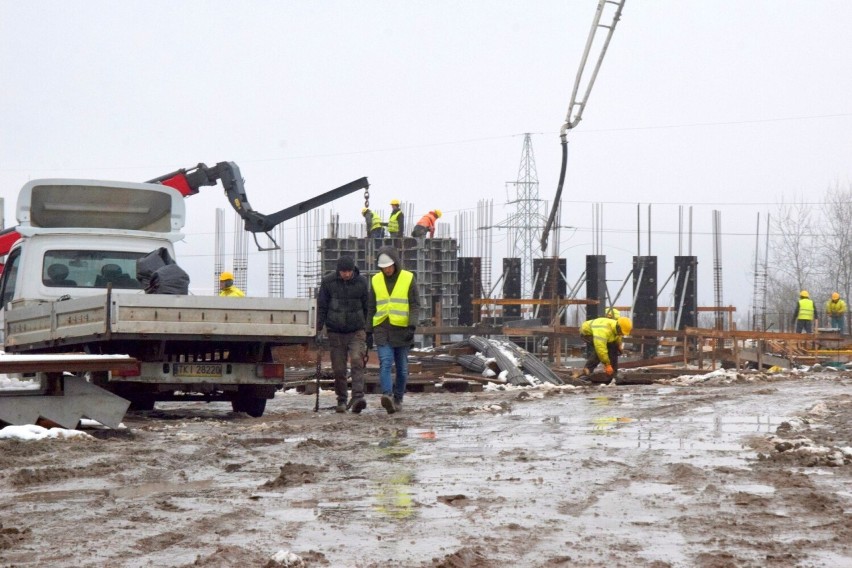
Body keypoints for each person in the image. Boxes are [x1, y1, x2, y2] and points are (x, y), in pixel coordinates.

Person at [366, 245, 421, 414]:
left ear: (395, 264)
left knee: (402, 369)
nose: (386, 270)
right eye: (383, 268)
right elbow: (371, 306)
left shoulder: (408, 278)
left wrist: (412, 325)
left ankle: (398, 398)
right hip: (382, 328)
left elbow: (414, 305)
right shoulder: (375, 280)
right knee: (385, 362)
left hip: (403, 330)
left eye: (388, 267)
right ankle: (387, 396)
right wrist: (368, 330)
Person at [316, 256, 369, 413]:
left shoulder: (362, 282)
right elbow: (322, 306)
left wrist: (368, 329)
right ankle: (342, 399)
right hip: (335, 331)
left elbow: (368, 306)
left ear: (353, 270)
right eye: (343, 271)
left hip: (356, 330)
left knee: (357, 361)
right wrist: (318, 329)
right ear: (338, 271)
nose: (346, 274)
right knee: (339, 369)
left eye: (348, 271)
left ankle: (358, 397)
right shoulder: (328, 282)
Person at [579, 316, 633, 381]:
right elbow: (601, 349)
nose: (622, 334)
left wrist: (619, 345)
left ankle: (613, 374)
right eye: (621, 332)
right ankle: (587, 372)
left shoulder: (616, 327)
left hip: (601, 333)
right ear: (618, 327)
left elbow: (617, 335)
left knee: (613, 347)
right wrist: (607, 364)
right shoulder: (603, 331)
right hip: (587, 333)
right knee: (600, 352)